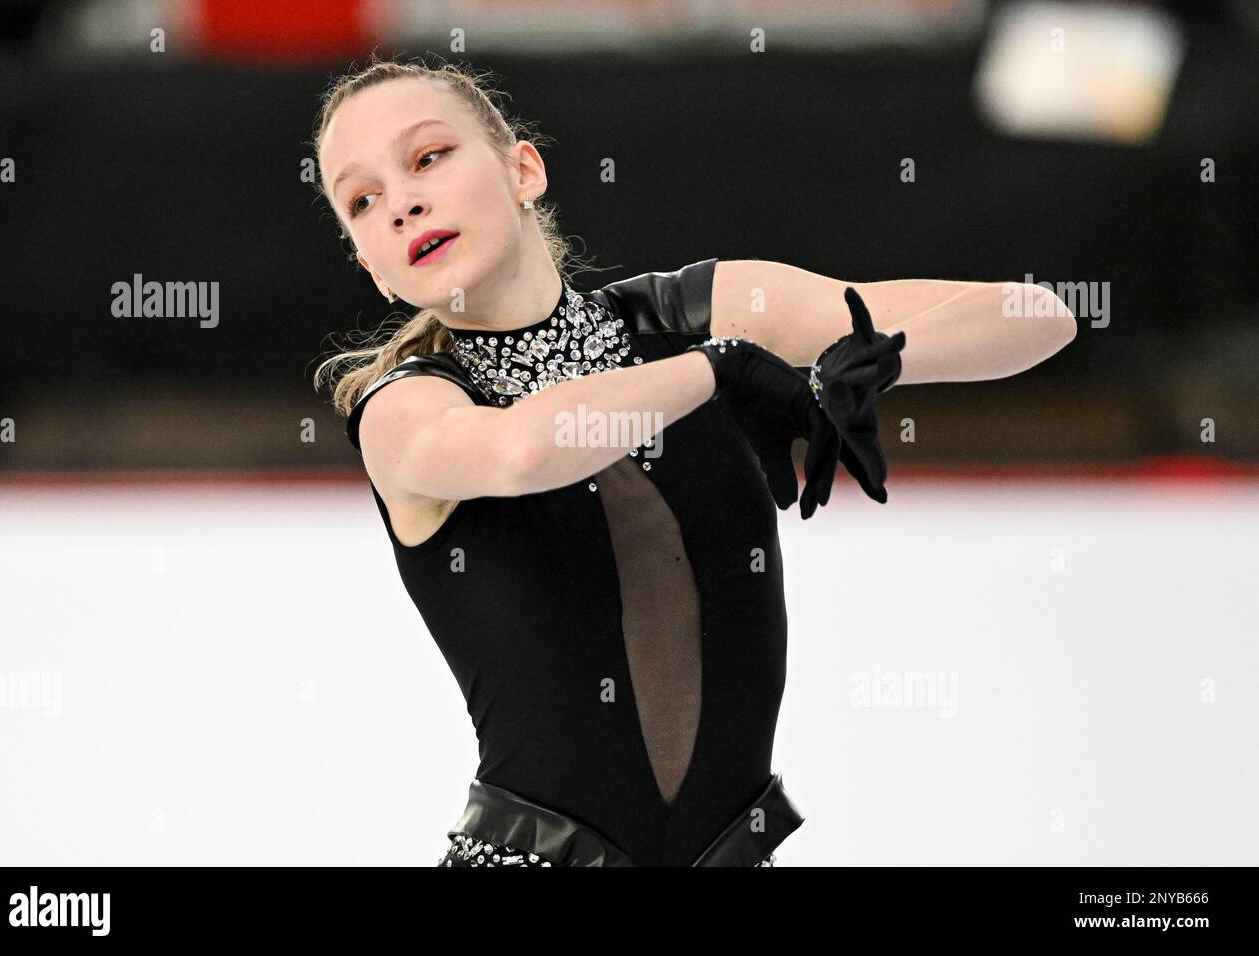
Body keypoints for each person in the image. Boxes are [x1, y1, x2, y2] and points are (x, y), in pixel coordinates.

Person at [311, 56, 912, 866]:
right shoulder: (402, 408)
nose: (402, 203)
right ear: (372, 271)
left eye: (427, 158)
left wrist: (871, 354)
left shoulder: (685, 314)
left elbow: (1034, 321)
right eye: (362, 200)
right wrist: (719, 368)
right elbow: (524, 448)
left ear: (524, 168)